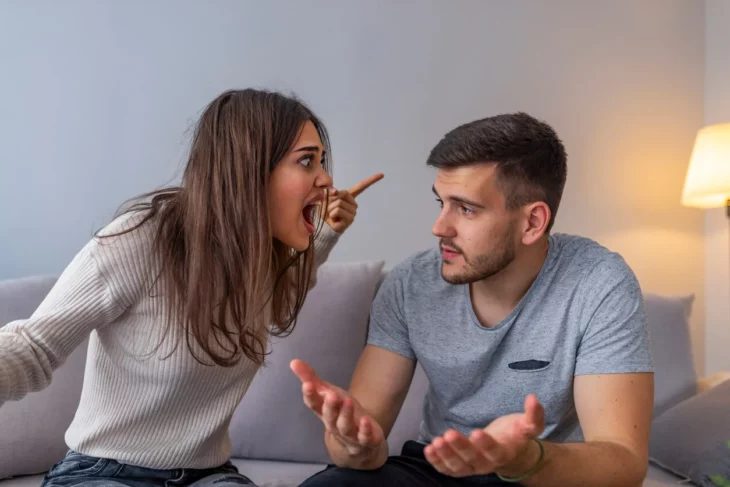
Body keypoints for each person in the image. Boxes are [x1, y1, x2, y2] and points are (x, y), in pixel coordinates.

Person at [0, 88, 383, 487]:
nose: (326, 180)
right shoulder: (141, 240)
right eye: (307, 161)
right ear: (249, 168)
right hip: (104, 472)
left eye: (321, 161)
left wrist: (324, 233)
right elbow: (32, 347)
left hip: (207, 476)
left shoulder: (258, 258)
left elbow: (286, 292)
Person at [293, 112, 654, 487]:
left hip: (543, 475)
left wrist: (524, 458)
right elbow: (363, 443)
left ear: (532, 222)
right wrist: (351, 444)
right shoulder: (409, 284)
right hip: (435, 470)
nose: (439, 227)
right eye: (441, 203)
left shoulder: (599, 282)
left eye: (466, 209)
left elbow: (623, 461)